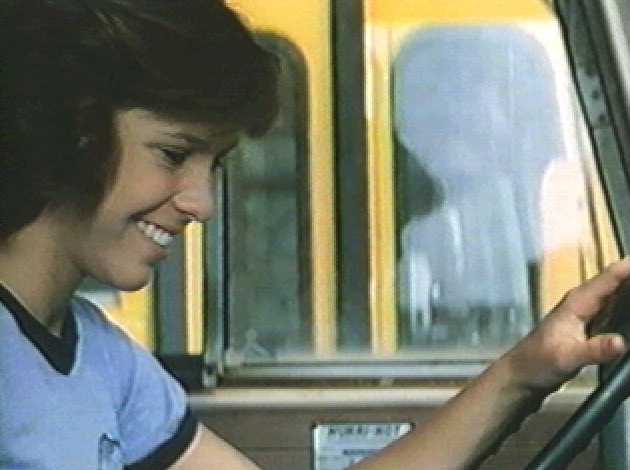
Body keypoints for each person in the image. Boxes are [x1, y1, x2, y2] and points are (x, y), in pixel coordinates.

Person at [0, 1, 628, 469]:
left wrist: (525, 371)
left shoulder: (102, 359)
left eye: (213, 165)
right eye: (174, 154)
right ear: (69, 131)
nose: (202, 204)